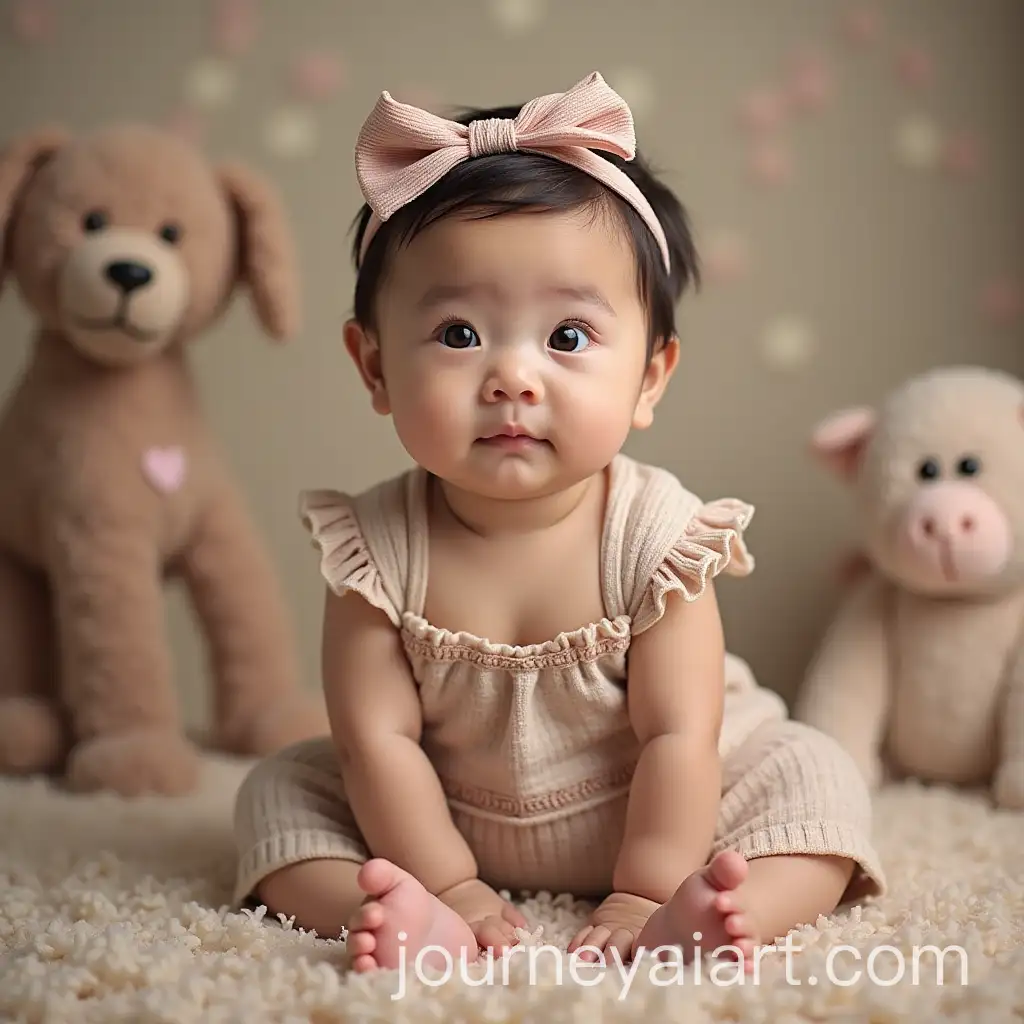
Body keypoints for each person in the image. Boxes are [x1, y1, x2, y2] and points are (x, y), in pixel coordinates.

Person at [232, 71, 885, 974]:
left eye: (567, 337)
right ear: (373, 366)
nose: (512, 377)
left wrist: (646, 888)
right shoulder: (374, 553)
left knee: (816, 779)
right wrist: (450, 882)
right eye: (458, 334)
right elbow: (372, 740)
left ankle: (725, 908)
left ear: (651, 376)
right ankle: (400, 915)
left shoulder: (659, 539)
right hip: (440, 822)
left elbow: (679, 736)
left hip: (673, 810)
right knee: (278, 796)